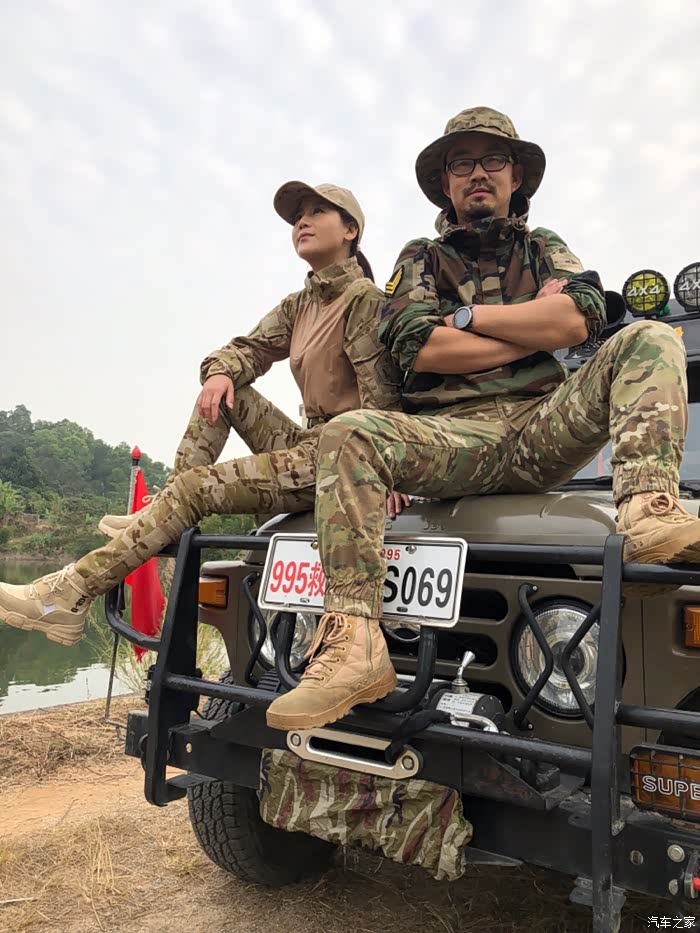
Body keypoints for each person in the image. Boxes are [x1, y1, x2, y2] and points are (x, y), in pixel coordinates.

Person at [265, 106, 697, 732]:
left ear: (516, 176)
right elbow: (417, 346)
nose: (478, 173)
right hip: (452, 438)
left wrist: (467, 320)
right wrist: (532, 329)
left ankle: (649, 511)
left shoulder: (542, 246)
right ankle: (355, 646)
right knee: (348, 432)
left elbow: (581, 318)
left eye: (493, 160)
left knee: (652, 337)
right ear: (445, 183)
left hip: (543, 426)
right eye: (462, 163)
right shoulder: (421, 257)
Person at [0, 181, 406, 648]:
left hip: (344, 459)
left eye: (317, 212)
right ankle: (163, 509)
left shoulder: (364, 299)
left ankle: (68, 593)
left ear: (351, 230)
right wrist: (220, 372)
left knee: (197, 487)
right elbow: (245, 349)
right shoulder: (301, 304)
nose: (302, 222)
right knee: (225, 392)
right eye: (298, 216)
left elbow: (381, 400)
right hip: (308, 443)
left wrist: (388, 472)